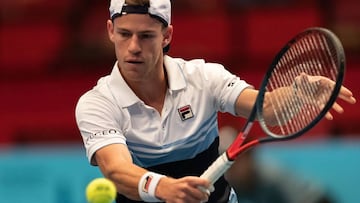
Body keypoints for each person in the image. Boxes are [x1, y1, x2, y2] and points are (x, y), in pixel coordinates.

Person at [75, 0, 356, 202]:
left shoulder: (205, 77)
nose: (133, 47)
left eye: (146, 36)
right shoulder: (97, 103)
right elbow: (116, 168)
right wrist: (164, 188)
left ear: (166, 36)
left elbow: (266, 108)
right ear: (111, 31)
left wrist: (298, 94)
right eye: (125, 34)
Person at [219, 126, 335, 203]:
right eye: (226, 166)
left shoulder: (271, 176)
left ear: (249, 157)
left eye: (235, 163)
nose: (230, 171)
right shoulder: (232, 184)